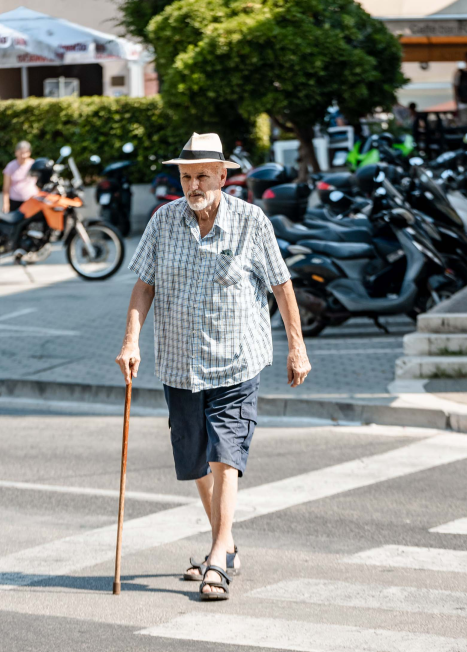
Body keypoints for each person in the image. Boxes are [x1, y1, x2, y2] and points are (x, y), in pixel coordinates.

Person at [116, 133, 310, 602]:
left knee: (227, 455)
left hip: (236, 360)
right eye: (186, 176)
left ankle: (218, 556)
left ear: (224, 176)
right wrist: (130, 340)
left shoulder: (250, 221)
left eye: (203, 175)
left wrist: (296, 347)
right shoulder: (164, 221)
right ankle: (226, 542)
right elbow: (144, 284)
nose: (194, 184)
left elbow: (282, 286)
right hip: (179, 364)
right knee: (195, 460)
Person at [2, 141, 39, 213]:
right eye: (21, 153)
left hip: (32, 201)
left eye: (26, 152)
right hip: (15, 201)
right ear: (16, 152)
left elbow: (39, 184)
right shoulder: (11, 166)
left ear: (29, 152)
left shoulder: (34, 165)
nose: (23, 155)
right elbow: (6, 187)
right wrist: (6, 204)